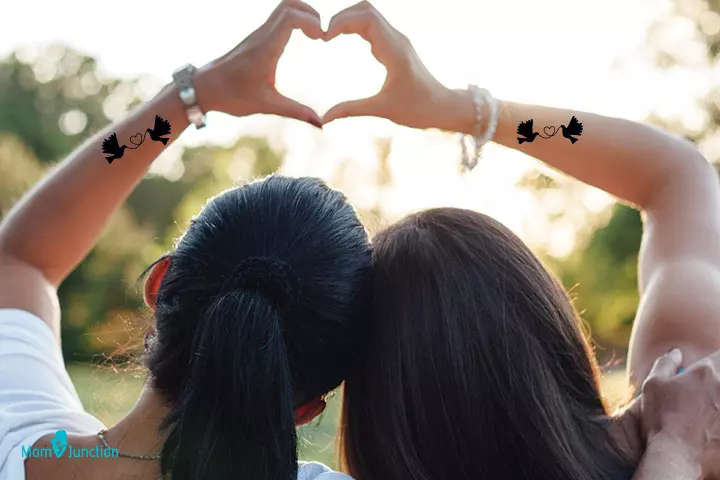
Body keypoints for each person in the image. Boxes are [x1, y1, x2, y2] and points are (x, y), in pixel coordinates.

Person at [324, 2, 720, 479]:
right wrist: (465, 111)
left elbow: (677, 175)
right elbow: (677, 172)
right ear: (544, 317)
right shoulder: (693, 410)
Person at [0, 2, 371, 480]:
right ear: (305, 410)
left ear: (160, 283)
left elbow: (22, 257)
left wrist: (188, 98)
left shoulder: (23, 450)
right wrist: (469, 113)